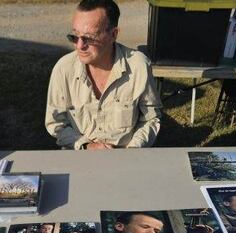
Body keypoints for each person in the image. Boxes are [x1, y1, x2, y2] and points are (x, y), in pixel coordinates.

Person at [45, 0, 161, 150]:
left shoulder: (139, 66)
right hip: (80, 156)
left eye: (89, 38)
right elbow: (55, 123)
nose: (79, 46)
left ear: (113, 35)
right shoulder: (63, 69)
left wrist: (132, 151)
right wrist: (86, 145)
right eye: (74, 37)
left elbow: (150, 119)